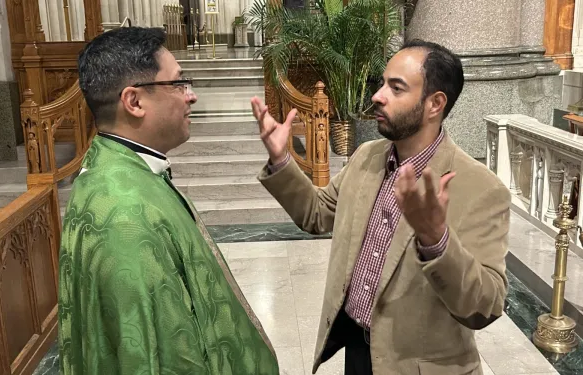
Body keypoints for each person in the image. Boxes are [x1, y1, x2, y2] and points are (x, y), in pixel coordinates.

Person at [251, 39, 510, 375]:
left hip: (416, 367)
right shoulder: (366, 158)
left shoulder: (482, 189)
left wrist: (436, 240)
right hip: (358, 352)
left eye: (396, 88)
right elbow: (316, 214)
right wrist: (281, 159)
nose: (378, 95)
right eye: (382, 83)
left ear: (435, 104)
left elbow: (483, 307)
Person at [58, 26, 279, 375]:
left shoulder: (120, 168)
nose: (190, 96)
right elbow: (153, 356)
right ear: (134, 101)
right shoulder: (124, 217)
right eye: (177, 83)